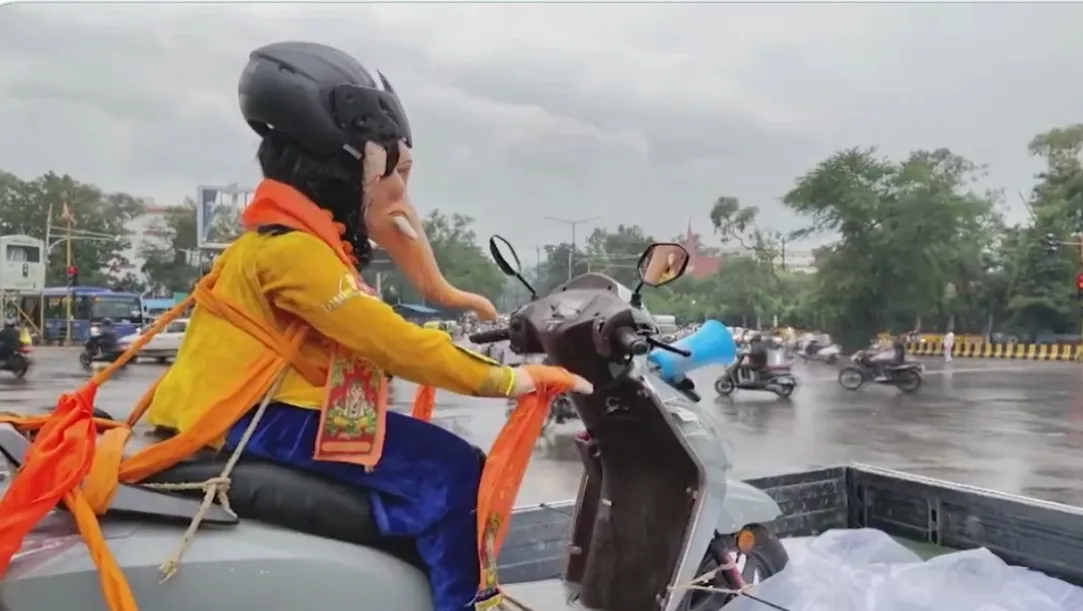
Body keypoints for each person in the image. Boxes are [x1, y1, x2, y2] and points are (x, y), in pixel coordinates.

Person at [144, 42, 591, 611]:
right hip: (252, 418)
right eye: (393, 171)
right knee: (450, 469)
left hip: (246, 409)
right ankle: (466, 602)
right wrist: (511, 381)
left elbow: (376, 335)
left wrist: (457, 314)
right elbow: (388, 340)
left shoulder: (277, 244)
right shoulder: (294, 254)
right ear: (347, 167)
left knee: (427, 461)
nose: (400, 194)